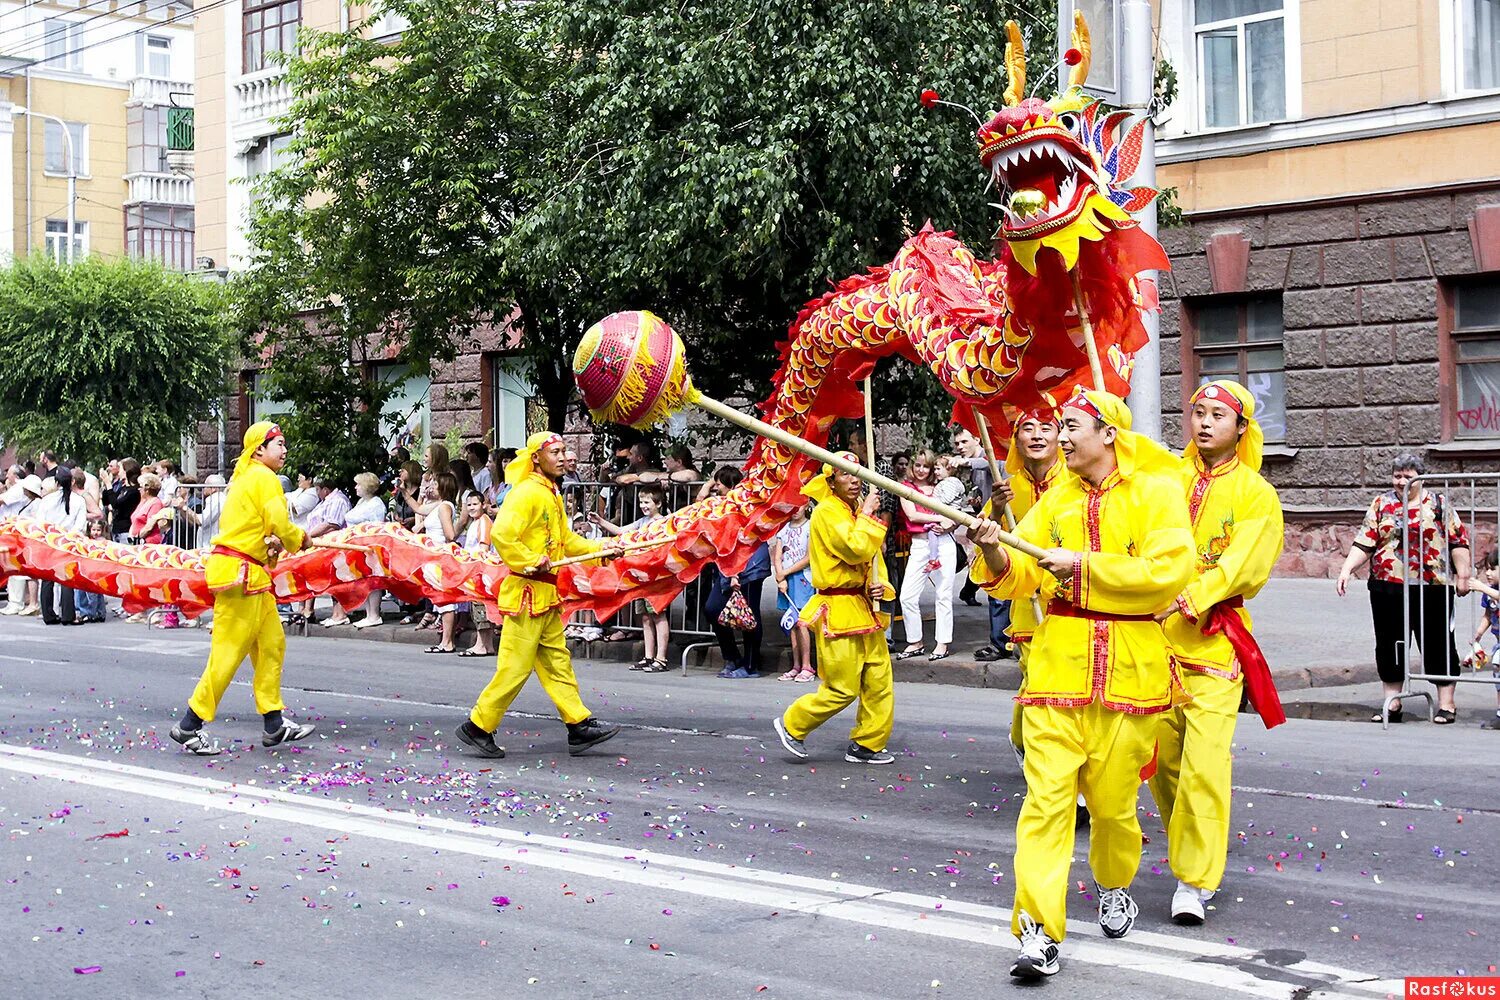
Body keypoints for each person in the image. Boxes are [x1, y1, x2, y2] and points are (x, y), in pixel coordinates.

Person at [969, 389, 1193, 980]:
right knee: (1045, 803)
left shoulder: (1157, 494)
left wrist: (1085, 565)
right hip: (1056, 671)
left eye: (1070, 427)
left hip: (1132, 674)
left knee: (1115, 807)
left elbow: (1169, 573)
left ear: (1108, 433)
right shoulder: (1055, 500)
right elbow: (1017, 575)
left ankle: (1114, 883)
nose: (1061, 437)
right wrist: (993, 552)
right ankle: (1037, 931)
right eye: (1058, 427)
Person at [1146, 380, 1285, 926]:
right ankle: (1188, 851)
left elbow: (1243, 565)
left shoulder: (1256, 494)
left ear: (1241, 429)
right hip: (1152, 643)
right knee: (1162, 766)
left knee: (1204, 766)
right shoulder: (1165, 481)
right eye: (1197, 413)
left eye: (1217, 416)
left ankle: (1193, 879)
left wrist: (1188, 598)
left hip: (1212, 644)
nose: (1203, 423)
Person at [454, 432, 622, 759]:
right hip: (526, 596)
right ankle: (477, 726)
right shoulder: (527, 493)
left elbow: (567, 544)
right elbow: (502, 535)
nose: (562, 457)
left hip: (546, 595)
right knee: (515, 669)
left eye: (564, 451)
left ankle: (578, 724)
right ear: (536, 458)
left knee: (557, 663)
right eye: (555, 452)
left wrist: (603, 549)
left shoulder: (551, 493)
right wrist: (530, 561)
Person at [169, 422, 322, 755]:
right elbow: (280, 524)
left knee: (272, 645)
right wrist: (298, 539)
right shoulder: (264, 478)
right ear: (259, 450)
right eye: (279, 444)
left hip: (251, 577)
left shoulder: (247, 478)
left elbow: (260, 528)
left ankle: (274, 723)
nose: (284, 450)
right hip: (242, 577)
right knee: (227, 654)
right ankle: (189, 725)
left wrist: (277, 543)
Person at [771, 454, 896, 764]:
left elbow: (873, 562)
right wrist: (868, 514)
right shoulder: (827, 512)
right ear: (831, 481)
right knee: (842, 687)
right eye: (845, 475)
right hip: (838, 609)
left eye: (857, 474)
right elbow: (856, 549)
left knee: (879, 681)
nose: (854, 481)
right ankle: (793, 724)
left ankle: (867, 744)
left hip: (864, 608)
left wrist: (883, 589)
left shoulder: (855, 512)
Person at [1336, 452, 1471, 724]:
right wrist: (1347, 569)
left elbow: (1458, 541)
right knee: (1390, 642)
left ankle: (1447, 704)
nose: (1401, 482)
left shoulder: (1439, 504)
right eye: (1397, 476)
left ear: (1420, 477)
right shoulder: (1381, 504)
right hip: (1388, 585)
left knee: (1437, 641)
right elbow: (1366, 542)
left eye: (1408, 477)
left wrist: (1464, 574)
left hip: (1432, 584)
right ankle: (1392, 702)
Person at [986, 407, 1067, 760]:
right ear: (1016, 439)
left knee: (1055, 685)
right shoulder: (1007, 488)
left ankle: (1028, 740)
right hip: (1028, 601)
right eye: (1028, 428)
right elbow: (987, 543)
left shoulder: (1076, 482)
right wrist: (994, 512)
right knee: (1039, 679)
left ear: (1060, 437)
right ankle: (1041, 754)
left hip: (1072, 597)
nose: (1036, 435)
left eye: (1046, 428)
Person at [592, 485, 673, 672]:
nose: (643, 505)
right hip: (640, 576)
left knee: (658, 614)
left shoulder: (664, 522)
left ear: (658, 503)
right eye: (641, 502)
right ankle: (648, 656)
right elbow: (621, 531)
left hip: (656, 577)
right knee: (644, 616)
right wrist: (601, 522)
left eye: (647, 502)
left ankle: (661, 658)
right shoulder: (641, 522)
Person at [897, 450, 956, 661]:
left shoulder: (942, 487)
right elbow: (912, 514)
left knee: (944, 594)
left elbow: (957, 513)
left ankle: (942, 643)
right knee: (907, 595)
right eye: (918, 465)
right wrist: (942, 517)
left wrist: (949, 524)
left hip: (943, 543)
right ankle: (915, 641)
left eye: (926, 466)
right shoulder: (906, 488)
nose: (921, 470)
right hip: (920, 544)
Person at [323, 472, 388, 628]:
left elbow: (377, 526)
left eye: (358, 484)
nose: (355, 487)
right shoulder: (361, 502)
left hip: (369, 546)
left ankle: (374, 615)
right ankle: (369, 614)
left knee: (372, 580)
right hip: (357, 546)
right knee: (364, 579)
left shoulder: (376, 503)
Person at [33, 467, 87, 625]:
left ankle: (48, 615)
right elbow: (80, 525)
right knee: (66, 579)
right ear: (72, 482)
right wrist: (69, 537)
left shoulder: (47, 500)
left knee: (47, 578)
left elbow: (40, 523)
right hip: (68, 541)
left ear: (56, 483)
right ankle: (68, 615)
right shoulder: (78, 500)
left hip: (49, 541)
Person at [773, 501, 816, 683]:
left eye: (797, 506)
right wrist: (780, 578)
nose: (795, 510)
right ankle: (796, 664)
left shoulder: (810, 527)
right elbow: (777, 556)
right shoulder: (784, 529)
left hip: (803, 578)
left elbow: (808, 558)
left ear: (805, 504)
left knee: (802, 622)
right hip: (786, 578)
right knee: (791, 622)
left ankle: (807, 665)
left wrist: (785, 572)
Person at [421, 472, 463, 653]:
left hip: (440, 555)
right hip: (433, 554)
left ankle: (447, 641)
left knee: (445, 598)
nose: (432, 486)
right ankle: (445, 641)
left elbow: (450, 534)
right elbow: (417, 508)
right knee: (440, 597)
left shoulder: (444, 507)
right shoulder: (440, 505)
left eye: (435, 484)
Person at [459, 491, 497, 657]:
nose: (472, 508)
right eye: (469, 505)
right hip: (475, 570)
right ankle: (486, 645)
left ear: (483, 505)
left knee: (481, 608)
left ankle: (481, 644)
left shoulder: (483, 522)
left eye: (475, 504)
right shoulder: (475, 522)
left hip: (481, 570)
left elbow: (484, 548)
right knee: (480, 608)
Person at [1, 475, 45, 615]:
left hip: (28, 539)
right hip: (21, 538)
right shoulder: (29, 501)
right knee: (15, 572)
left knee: (26, 573)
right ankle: (17, 601)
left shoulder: (37, 503)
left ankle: (23, 602)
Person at [1467, 550, 1500, 730]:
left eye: (1493, 569)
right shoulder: (1489, 592)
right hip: (1498, 642)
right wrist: (1479, 632)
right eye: (1487, 568)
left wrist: (1481, 587)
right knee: (1498, 674)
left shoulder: (1489, 590)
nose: (1488, 573)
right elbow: (1488, 615)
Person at [102, 458, 142, 543]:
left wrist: (109, 484)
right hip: (116, 530)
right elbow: (107, 501)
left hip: (126, 530)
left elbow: (115, 505)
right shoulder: (123, 489)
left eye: (120, 468)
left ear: (126, 471)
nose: (118, 471)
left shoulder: (134, 491)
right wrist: (107, 484)